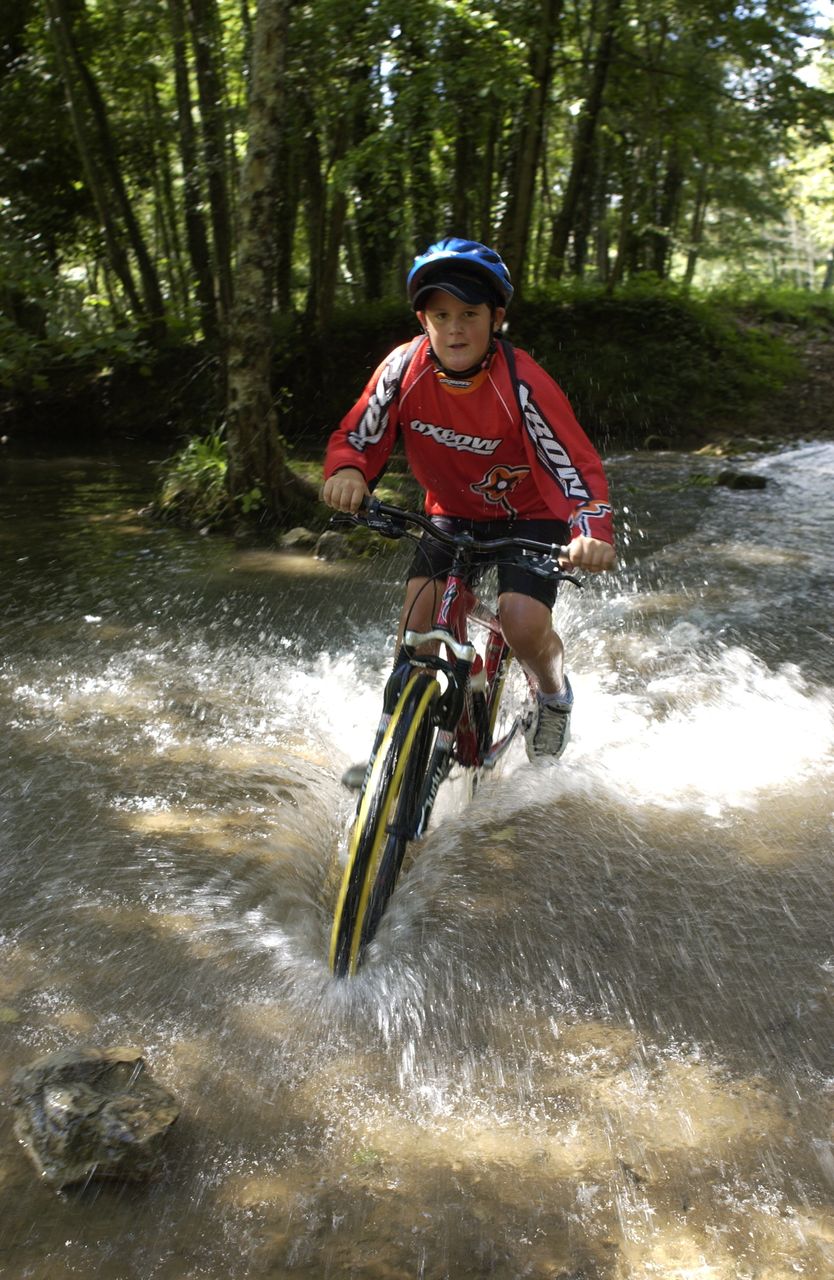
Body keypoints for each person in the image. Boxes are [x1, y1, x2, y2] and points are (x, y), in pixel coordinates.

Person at [322, 237, 615, 764]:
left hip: (530, 516)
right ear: (423, 320)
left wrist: (590, 530)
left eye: (469, 313)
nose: (454, 327)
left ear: (495, 318)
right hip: (450, 513)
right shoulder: (403, 368)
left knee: (523, 624)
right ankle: (391, 748)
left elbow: (573, 464)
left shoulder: (522, 381)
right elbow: (361, 433)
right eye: (440, 314)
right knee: (418, 623)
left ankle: (553, 696)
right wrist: (347, 470)